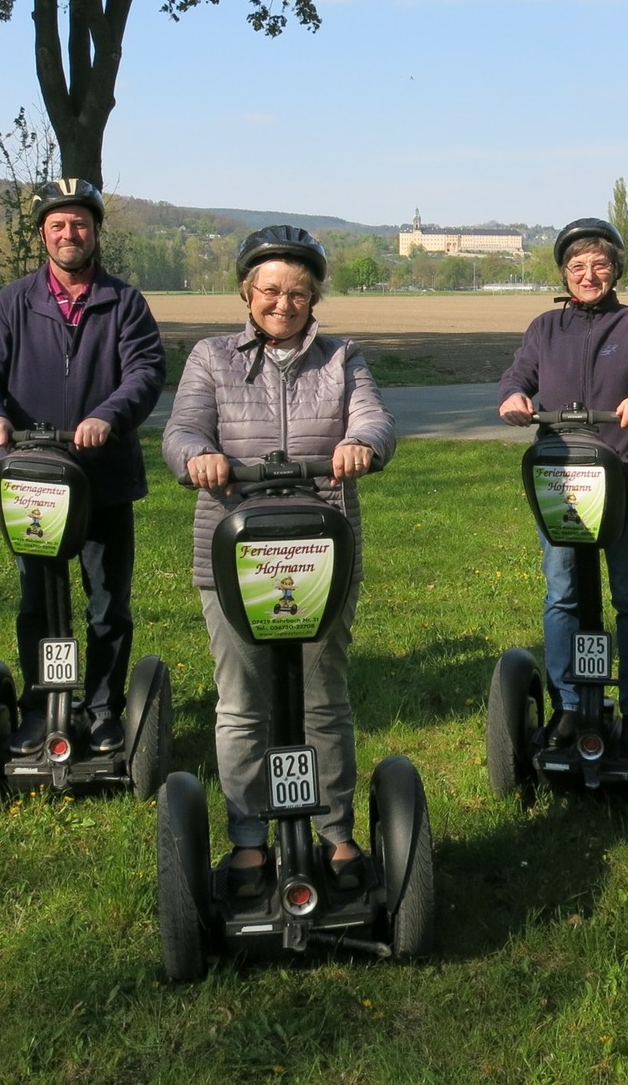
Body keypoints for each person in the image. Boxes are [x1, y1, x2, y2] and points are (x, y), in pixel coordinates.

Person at [161, 226, 396, 896]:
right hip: (233, 555)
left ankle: (335, 832)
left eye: (298, 291)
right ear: (246, 292)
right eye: (270, 290)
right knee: (242, 704)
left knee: (323, 699)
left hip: (321, 552)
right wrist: (196, 457)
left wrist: (361, 444)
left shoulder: (342, 358)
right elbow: (181, 430)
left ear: (315, 296)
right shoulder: (211, 357)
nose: (283, 302)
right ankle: (246, 840)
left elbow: (374, 419)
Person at [0, 178, 166, 755]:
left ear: (95, 232)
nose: (69, 233)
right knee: (39, 599)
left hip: (103, 478)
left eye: (79, 224)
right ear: (43, 235)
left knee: (107, 601)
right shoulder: (13, 302)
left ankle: (101, 707)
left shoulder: (123, 302)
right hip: (33, 480)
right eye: (57, 225)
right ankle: (46, 702)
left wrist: (108, 416)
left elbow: (146, 372)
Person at [497, 217, 628, 753]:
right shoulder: (544, 328)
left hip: (625, 476)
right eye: (577, 266)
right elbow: (517, 376)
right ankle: (570, 704)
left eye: (599, 264)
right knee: (563, 593)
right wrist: (513, 398)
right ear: (564, 274)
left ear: (615, 268)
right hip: (562, 481)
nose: (588, 274)